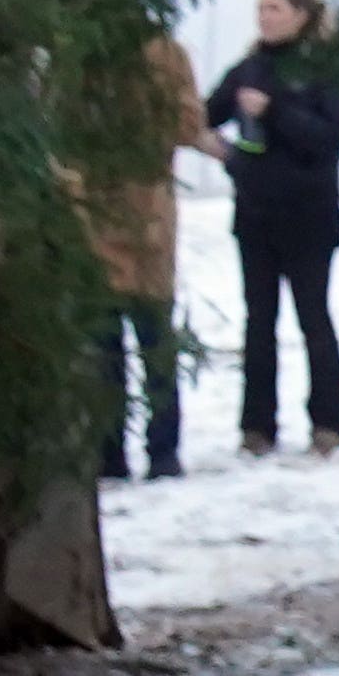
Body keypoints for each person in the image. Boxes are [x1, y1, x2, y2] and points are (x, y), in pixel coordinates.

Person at [207, 0, 339, 456]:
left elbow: (331, 136)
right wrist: (226, 154)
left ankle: (328, 423)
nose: (264, 17)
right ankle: (257, 428)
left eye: (274, 8)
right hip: (254, 215)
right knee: (258, 323)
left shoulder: (324, 69)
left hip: (309, 217)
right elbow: (209, 113)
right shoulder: (250, 67)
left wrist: (274, 111)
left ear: (300, 16)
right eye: (260, 9)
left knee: (313, 318)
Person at [79, 30, 204, 481]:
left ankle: (162, 449)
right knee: (104, 345)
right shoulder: (77, 51)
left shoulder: (165, 52)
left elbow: (189, 123)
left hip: (147, 219)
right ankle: (111, 451)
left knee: (153, 340)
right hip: (92, 218)